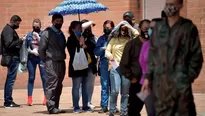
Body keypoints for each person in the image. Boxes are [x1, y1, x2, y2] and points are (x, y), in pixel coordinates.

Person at [142, 0, 203, 115]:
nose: (169, 7)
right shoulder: (159, 28)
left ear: (180, 5)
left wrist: (187, 77)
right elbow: (152, 55)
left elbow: (196, 56)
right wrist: (147, 77)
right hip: (161, 85)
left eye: (173, 4)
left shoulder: (188, 28)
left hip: (181, 87)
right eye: (167, 3)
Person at [106, 21, 139, 116]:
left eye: (125, 29)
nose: (123, 31)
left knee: (125, 92)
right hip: (115, 68)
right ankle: (112, 111)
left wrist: (129, 26)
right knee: (115, 90)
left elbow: (137, 35)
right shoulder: (114, 39)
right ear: (118, 30)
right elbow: (107, 51)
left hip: (127, 69)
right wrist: (110, 56)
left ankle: (123, 112)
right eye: (122, 29)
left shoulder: (131, 40)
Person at [120, 19, 150, 116]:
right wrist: (132, 78)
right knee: (134, 110)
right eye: (145, 29)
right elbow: (123, 65)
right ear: (139, 29)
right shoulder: (131, 45)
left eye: (150, 29)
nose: (147, 31)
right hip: (137, 84)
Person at [38, 14, 66, 114]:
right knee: (52, 85)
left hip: (61, 62)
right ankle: (51, 107)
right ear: (53, 21)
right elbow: (41, 49)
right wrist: (45, 60)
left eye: (61, 21)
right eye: (57, 21)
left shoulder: (61, 33)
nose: (59, 23)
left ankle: (56, 106)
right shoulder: (47, 33)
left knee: (59, 85)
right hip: (51, 62)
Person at [67, 21, 95, 113]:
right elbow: (72, 52)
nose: (80, 30)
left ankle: (85, 105)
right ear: (73, 29)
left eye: (80, 28)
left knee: (85, 86)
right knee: (76, 86)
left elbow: (88, 48)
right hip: (76, 66)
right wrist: (80, 44)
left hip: (84, 65)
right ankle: (76, 106)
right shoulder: (70, 39)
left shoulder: (83, 37)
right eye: (78, 28)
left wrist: (84, 44)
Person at [1, 15, 26, 108]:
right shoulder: (8, 30)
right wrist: (20, 40)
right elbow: (8, 44)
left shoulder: (9, 30)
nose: (18, 25)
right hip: (12, 58)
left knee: (10, 80)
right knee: (10, 80)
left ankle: (9, 100)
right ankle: (8, 102)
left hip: (13, 58)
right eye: (17, 23)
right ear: (13, 21)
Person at [139, 18, 162, 116]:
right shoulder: (146, 44)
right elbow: (141, 61)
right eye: (149, 28)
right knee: (150, 112)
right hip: (145, 84)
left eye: (153, 28)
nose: (150, 30)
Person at [94, 20, 115, 113]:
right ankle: (104, 105)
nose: (106, 29)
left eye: (108, 28)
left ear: (112, 28)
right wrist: (102, 48)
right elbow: (96, 52)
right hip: (104, 64)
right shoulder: (101, 39)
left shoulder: (116, 38)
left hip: (114, 64)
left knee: (114, 87)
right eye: (105, 28)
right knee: (105, 85)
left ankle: (113, 106)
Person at [26, 19, 46, 106]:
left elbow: (45, 45)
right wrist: (31, 51)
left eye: (37, 26)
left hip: (41, 58)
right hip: (32, 58)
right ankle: (29, 98)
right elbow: (25, 48)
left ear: (40, 26)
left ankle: (46, 97)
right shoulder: (29, 35)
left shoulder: (43, 34)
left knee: (44, 78)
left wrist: (38, 37)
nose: (35, 28)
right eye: (34, 26)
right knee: (31, 77)